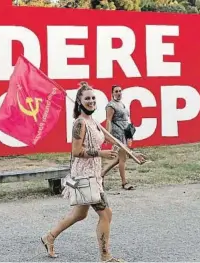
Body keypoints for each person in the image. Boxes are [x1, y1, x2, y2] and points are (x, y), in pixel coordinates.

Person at [40, 81, 145, 262]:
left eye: (93, 98)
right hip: (84, 175)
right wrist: (100, 152)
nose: (91, 101)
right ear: (80, 102)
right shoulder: (80, 124)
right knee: (106, 214)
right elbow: (76, 151)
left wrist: (131, 152)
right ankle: (106, 256)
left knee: (80, 214)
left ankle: (49, 237)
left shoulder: (93, 122)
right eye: (87, 98)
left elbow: (115, 141)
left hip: (94, 175)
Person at [101, 85, 134, 190]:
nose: (119, 93)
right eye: (116, 91)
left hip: (126, 133)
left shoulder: (122, 104)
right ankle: (124, 183)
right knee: (122, 158)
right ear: (112, 93)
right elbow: (108, 120)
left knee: (120, 158)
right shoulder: (111, 105)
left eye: (120, 91)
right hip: (118, 134)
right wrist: (107, 135)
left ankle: (101, 174)